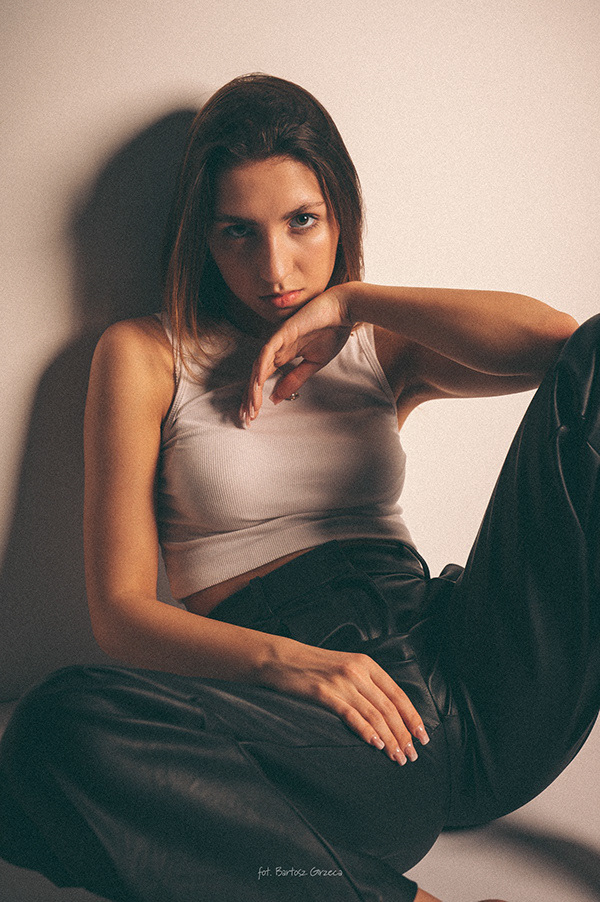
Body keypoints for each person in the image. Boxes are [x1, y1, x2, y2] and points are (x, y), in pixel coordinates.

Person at [0, 71, 595, 902]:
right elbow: (122, 615)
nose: (274, 267)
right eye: (237, 232)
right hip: (319, 737)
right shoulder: (144, 357)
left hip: (476, 681)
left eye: (302, 221)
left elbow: (565, 346)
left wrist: (352, 301)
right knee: (52, 732)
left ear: (340, 214)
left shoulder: (379, 342)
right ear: (202, 238)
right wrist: (298, 667)